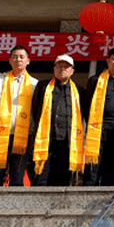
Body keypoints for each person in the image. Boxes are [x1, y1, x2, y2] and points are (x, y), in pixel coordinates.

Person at [0, 45, 38, 186]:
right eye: (14, 57)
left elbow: (37, 111)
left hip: (24, 135)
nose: (18, 60)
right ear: (9, 60)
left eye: (21, 57)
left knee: (17, 176)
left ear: (28, 61)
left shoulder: (34, 84)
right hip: (0, 134)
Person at [30, 55, 85, 186]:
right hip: (46, 139)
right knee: (41, 177)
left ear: (72, 71)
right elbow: (36, 108)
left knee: (62, 178)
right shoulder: (43, 86)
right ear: (54, 69)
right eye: (59, 66)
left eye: (66, 66)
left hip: (67, 141)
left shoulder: (79, 90)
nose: (62, 69)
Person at [84, 46, 114, 186]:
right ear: (107, 61)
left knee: (110, 169)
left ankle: (105, 203)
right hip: (97, 131)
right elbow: (87, 106)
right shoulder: (95, 81)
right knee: (92, 169)